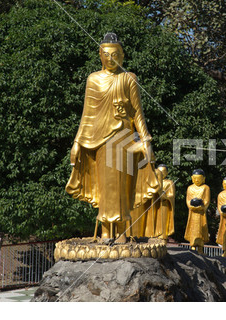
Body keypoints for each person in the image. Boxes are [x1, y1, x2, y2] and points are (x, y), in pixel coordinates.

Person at [66, 33, 159, 243]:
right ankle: (106, 231)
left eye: (115, 54)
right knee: (106, 185)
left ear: (122, 56)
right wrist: (77, 142)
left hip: (124, 137)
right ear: (100, 55)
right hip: (100, 140)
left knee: (122, 185)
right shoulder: (93, 79)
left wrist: (145, 140)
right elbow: (87, 115)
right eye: (106, 54)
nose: (111, 58)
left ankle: (122, 230)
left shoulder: (129, 78)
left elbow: (137, 113)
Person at [184, 169, 210, 254]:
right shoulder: (190, 188)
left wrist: (202, 206)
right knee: (193, 229)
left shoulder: (205, 188)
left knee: (201, 229)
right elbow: (188, 200)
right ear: (192, 178)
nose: (197, 180)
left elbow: (206, 201)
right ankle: (192, 246)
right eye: (195, 178)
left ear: (203, 179)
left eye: (199, 178)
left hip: (201, 213)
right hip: (192, 213)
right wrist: (191, 206)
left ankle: (200, 248)